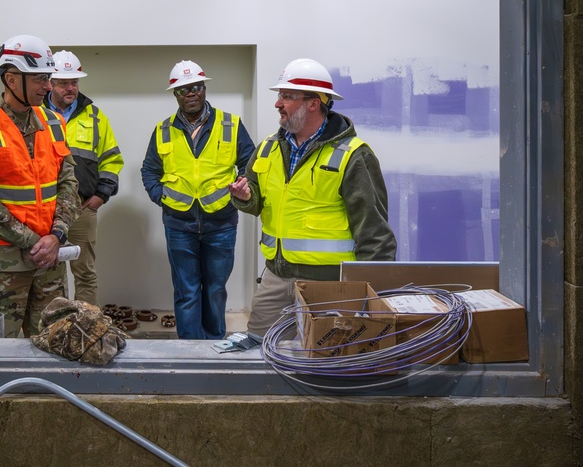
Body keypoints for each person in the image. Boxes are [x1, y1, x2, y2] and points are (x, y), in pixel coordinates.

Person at [228, 58, 397, 336]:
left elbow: (375, 234)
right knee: (259, 348)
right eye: (279, 96)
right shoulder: (268, 148)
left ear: (314, 103)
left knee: (327, 358)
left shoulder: (354, 155)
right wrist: (245, 197)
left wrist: (373, 298)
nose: (277, 104)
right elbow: (258, 200)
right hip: (275, 277)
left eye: (287, 96)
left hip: (330, 285)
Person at [0, 34, 81, 338]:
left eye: (49, 78)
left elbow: (67, 183)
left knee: (54, 342)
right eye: (40, 78)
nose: (48, 86)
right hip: (0, 270)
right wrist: (34, 243)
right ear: (12, 79)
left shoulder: (54, 123)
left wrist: (56, 235)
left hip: (48, 263)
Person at [141, 60, 256, 340]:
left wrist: (237, 194)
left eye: (196, 87)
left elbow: (251, 165)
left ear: (203, 88)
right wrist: (162, 197)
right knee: (187, 290)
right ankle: (189, 350)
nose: (190, 93)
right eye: (183, 90)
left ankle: (214, 344)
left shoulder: (231, 124)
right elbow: (149, 170)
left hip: (221, 222)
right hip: (179, 223)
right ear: (175, 95)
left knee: (216, 289)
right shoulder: (163, 129)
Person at [45, 50, 124, 307]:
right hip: (43, 209)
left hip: (82, 208)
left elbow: (112, 158)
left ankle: (86, 326)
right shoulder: (34, 114)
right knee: (48, 273)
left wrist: (101, 195)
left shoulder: (95, 116)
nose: (71, 88)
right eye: (64, 82)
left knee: (85, 273)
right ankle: (53, 327)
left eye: (75, 82)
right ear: (50, 83)